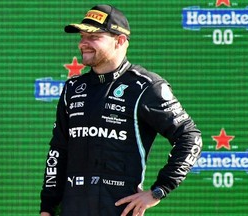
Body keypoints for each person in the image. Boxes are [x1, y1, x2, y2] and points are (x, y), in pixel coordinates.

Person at [40, 4, 202, 216]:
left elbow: (190, 138)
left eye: (94, 36)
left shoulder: (146, 86)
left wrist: (159, 190)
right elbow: (58, 151)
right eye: (81, 36)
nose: (83, 44)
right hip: (72, 208)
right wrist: (47, 207)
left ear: (120, 41)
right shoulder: (73, 87)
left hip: (118, 210)